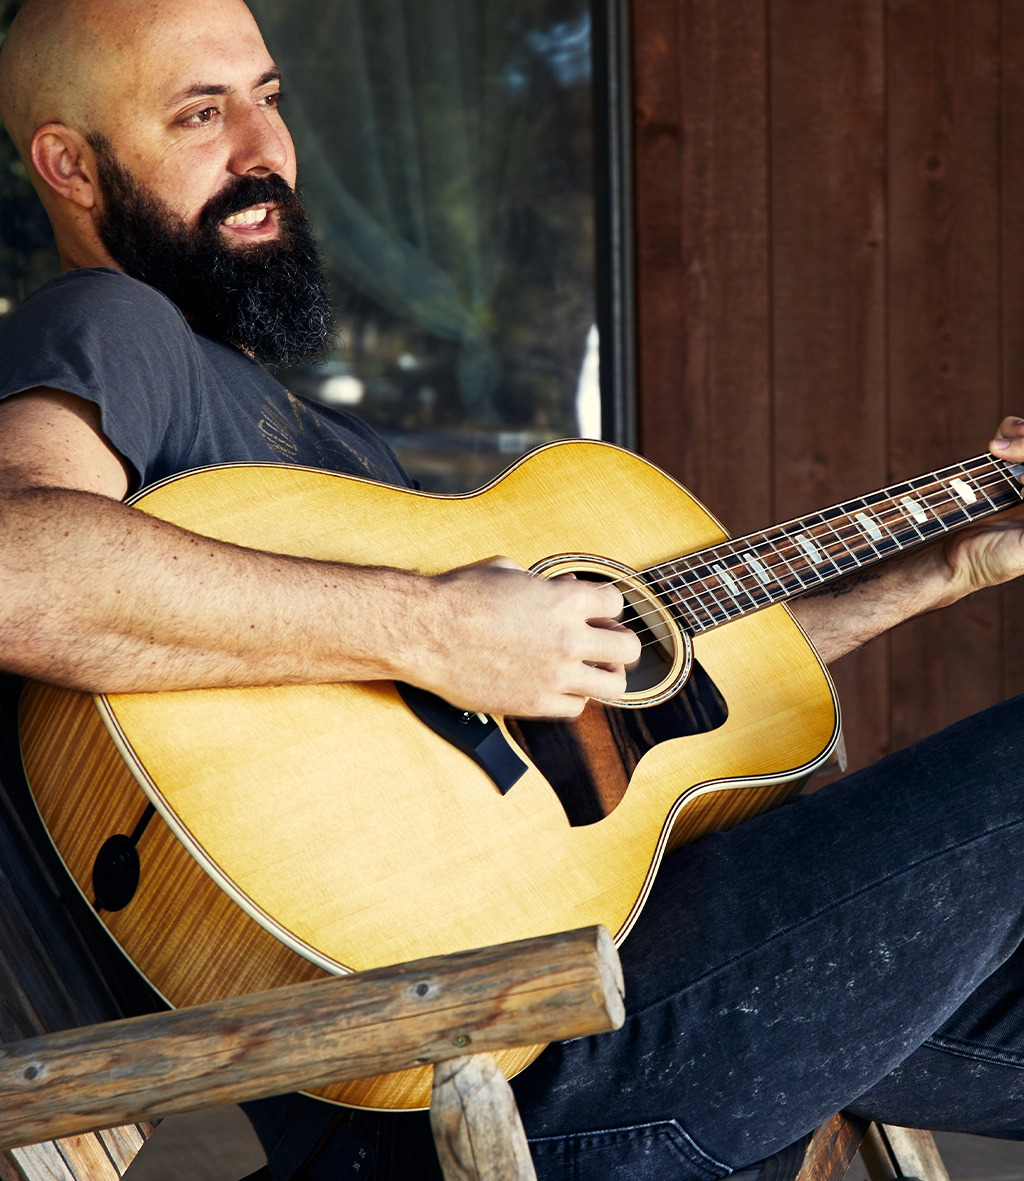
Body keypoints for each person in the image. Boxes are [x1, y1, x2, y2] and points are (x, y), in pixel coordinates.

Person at [3, 1, 1024, 1177]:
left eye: (269, 98)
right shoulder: (111, 324)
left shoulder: (327, 450)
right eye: (199, 112)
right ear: (70, 164)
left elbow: (657, 686)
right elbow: (17, 567)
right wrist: (433, 626)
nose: (262, 150)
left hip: (592, 988)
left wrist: (947, 566)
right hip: (496, 1056)